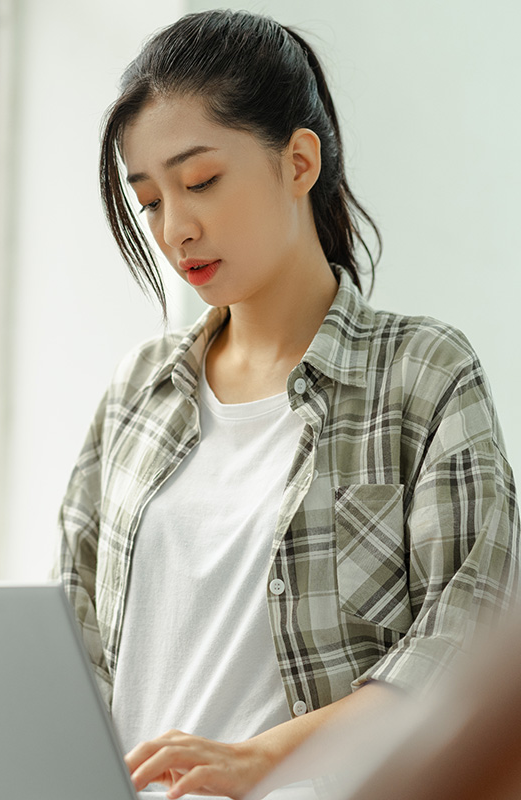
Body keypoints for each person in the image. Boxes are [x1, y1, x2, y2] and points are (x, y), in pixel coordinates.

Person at [53, 9, 520, 800]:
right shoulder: (137, 396)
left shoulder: (422, 375)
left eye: (200, 181)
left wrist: (262, 758)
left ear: (298, 161)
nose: (177, 229)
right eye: (151, 202)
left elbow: (467, 643)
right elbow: (70, 652)